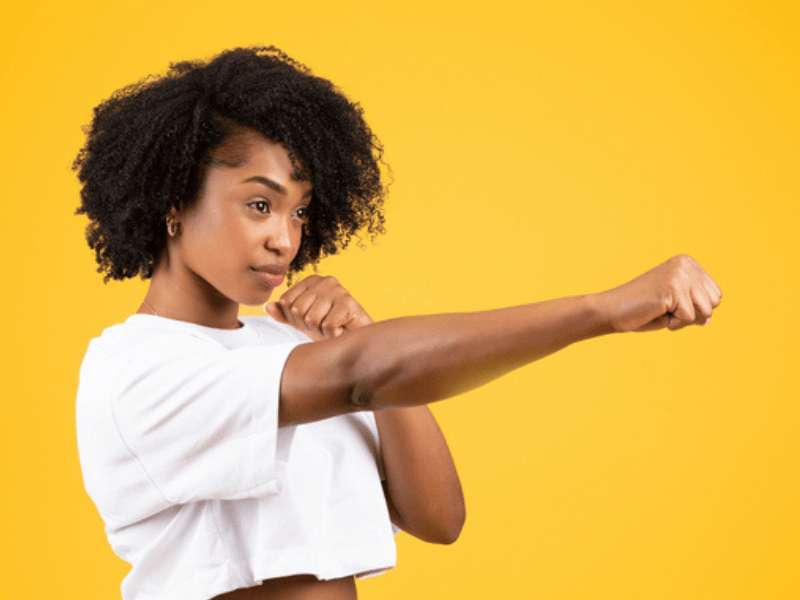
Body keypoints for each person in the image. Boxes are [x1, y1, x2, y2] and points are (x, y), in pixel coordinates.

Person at [74, 46, 721, 600]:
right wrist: (603, 310)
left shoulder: (288, 346)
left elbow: (437, 518)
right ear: (173, 204)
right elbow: (364, 375)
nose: (285, 240)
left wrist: (362, 339)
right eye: (260, 204)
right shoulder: (135, 369)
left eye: (299, 212)